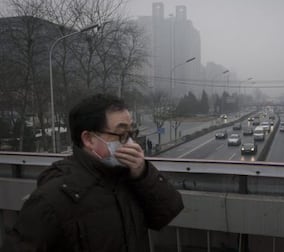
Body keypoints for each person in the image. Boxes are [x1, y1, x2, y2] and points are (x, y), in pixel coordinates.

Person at [1, 94, 183, 252]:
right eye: (120, 135)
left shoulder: (128, 176)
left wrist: (142, 173)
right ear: (88, 139)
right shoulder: (53, 196)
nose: (130, 143)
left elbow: (167, 213)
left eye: (130, 133)